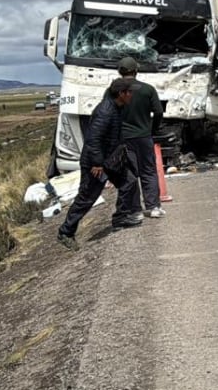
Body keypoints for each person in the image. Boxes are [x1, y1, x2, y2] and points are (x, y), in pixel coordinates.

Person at [56, 78, 142, 250]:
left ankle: (121, 217)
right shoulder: (105, 111)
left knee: (129, 181)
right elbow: (93, 139)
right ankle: (65, 232)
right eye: (129, 92)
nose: (132, 95)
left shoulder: (117, 108)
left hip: (110, 160)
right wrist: (97, 163)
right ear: (121, 94)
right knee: (87, 198)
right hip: (96, 163)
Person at [116, 57, 165, 218]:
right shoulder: (148, 89)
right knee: (149, 171)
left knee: (129, 174)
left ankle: (135, 210)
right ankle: (153, 207)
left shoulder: (114, 92)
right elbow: (158, 112)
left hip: (123, 139)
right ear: (136, 71)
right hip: (144, 136)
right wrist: (153, 129)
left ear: (120, 72)